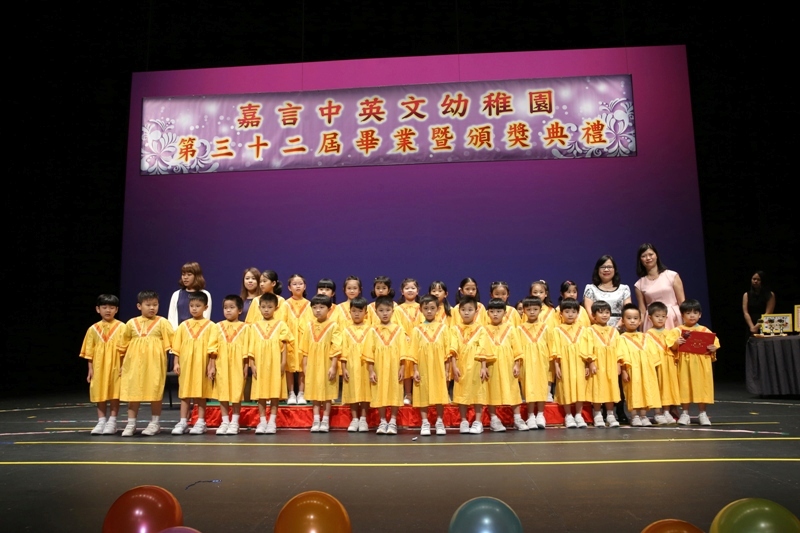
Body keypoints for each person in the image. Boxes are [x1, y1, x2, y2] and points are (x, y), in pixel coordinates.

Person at [118, 290, 174, 437]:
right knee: (133, 392)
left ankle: (155, 423)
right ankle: (131, 423)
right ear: (139, 306)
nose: (152, 308)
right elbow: (123, 346)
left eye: (155, 305)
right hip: (133, 363)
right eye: (148, 305)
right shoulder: (131, 323)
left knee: (154, 392)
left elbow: (171, 343)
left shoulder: (162, 322)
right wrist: (122, 365)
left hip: (154, 364)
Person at [666, 299, 719, 426]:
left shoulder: (704, 330)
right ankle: (685, 413)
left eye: (695, 313)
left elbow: (715, 344)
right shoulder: (677, 331)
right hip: (684, 364)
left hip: (701, 364)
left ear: (700, 315)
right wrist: (676, 343)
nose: (692, 315)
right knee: (685, 386)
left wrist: (713, 348)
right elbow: (671, 347)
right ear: (682, 315)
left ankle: (702, 413)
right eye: (688, 313)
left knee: (702, 387)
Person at [364, 295, 410, 435]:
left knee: (395, 392)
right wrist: (371, 371)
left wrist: (402, 368)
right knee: (380, 392)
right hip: (379, 367)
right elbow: (369, 352)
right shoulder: (372, 330)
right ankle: (383, 421)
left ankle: (393, 421)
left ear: (393, 311)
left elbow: (403, 351)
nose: (385, 313)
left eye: (388, 310)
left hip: (395, 367)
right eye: (381, 310)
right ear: (376, 312)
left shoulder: (399, 330)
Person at [171, 292, 215, 435]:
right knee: (184, 393)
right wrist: (176, 363)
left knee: (201, 393)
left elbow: (213, 348)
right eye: (191, 306)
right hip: (186, 364)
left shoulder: (211, 326)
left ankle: (200, 422)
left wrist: (211, 365)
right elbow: (176, 347)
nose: (194, 309)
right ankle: (183, 421)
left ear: (205, 307)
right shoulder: (183, 325)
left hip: (202, 363)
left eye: (198, 306)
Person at [248, 293, 293, 434]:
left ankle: (272, 421)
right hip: (260, 363)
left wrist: (283, 362)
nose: (266, 310)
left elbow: (284, 345)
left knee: (274, 392)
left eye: (269, 307)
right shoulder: (254, 326)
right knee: (260, 393)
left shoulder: (281, 325)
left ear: (276, 308)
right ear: (259, 308)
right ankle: (262, 422)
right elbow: (250, 347)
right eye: (263, 307)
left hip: (275, 363)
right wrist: (252, 364)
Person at [79, 294, 124, 435]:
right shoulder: (93, 329)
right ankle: (101, 421)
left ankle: (112, 421)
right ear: (98, 309)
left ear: (116, 310)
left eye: (111, 307)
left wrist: (123, 366)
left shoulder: (122, 327)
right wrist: (90, 369)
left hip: (116, 365)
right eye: (104, 307)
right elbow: (89, 352)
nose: (108, 310)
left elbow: (126, 349)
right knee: (99, 392)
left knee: (114, 392)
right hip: (99, 366)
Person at [409, 294, 453, 436]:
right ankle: (425, 422)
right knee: (423, 393)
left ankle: (439, 421)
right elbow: (413, 352)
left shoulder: (443, 328)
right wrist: (415, 370)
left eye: (432, 308)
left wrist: (447, 369)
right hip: (422, 367)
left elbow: (447, 351)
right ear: (421, 309)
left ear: (438, 309)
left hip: (439, 366)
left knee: (439, 393)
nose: (429, 311)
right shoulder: (417, 330)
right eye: (426, 308)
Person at [483, 299, 527, 432]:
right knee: (492, 390)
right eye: (492, 311)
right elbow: (482, 349)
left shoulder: (510, 328)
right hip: (491, 364)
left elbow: (517, 348)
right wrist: (483, 366)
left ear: (505, 313)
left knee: (513, 390)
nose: (495, 314)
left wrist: (517, 365)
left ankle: (517, 418)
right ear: (488, 313)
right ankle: (494, 419)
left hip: (508, 364)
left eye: (498, 311)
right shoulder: (484, 329)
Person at [208, 295, 249, 435]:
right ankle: (225, 421)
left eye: (232, 307)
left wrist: (246, 366)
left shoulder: (245, 327)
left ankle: (235, 422)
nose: (228, 310)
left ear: (240, 310)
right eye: (225, 308)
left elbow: (247, 348)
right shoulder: (217, 326)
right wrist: (211, 366)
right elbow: (213, 347)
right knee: (223, 392)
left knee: (236, 392)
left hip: (238, 363)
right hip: (221, 363)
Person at [300, 294, 342, 433]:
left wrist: (333, 366)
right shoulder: (309, 325)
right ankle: (316, 419)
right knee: (314, 392)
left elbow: (336, 347)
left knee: (327, 392)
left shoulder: (333, 325)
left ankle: (325, 420)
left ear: (329, 309)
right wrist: (305, 365)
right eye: (315, 307)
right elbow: (305, 348)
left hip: (327, 363)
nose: (318, 310)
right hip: (312, 363)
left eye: (322, 307)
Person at [449, 295, 490, 434]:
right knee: (461, 393)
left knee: (478, 393)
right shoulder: (455, 329)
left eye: (470, 310)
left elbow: (483, 348)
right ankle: (464, 421)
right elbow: (453, 349)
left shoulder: (481, 329)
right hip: (460, 365)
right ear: (459, 311)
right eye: (463, 310)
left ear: (476, 311)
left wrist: (483, 367)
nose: (466, 312)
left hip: (476, 364)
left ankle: (478, 422)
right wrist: (454, 366)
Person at [616, 304, 662, 427]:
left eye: (635, 318)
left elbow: (653, 354)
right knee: (633, 391)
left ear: (640, 320)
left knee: (646, 390)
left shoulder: (646, 337)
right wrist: (624, 371)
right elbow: (621, 356)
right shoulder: (621, 338)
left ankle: (643, 415)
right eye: (629, 318)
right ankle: (634, 416)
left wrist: (654, 369)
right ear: (623, 320)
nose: (632, 321)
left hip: (646, 370)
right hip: (632, 370)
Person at [552, 298, 591, 428]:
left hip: (579, 362)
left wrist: (587, 364)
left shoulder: (583, 330)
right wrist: (556, 366)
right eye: (567, 311)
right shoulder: (557, 330)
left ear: (578, 313)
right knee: (566, 387)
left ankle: (578, 415)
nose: (570, 314)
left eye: (573, 312)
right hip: (564, 363)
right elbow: (555, 349)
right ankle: (568, 415)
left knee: (580, 387)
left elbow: (587, 348)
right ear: (561, 313)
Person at [585, 301, 622, 428]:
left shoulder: (614, 331)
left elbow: (619, 349)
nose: (605, 315)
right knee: (597, 388)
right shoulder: (590, 330)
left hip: (611, 363)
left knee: (611, 387)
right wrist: (591, 362)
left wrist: (618, 364)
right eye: (601, 313)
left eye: (607, 312)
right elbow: (587, 347)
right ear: (594, 315)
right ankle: (597, 414)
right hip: (598, 364)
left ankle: (610, 414)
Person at [634, 243, 685, 331]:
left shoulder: (672, 275)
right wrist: (641, 331)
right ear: (640, 260)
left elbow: (682, 302)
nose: (648, 258)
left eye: (651, 254)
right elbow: (642, 311)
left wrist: (687, 323)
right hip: (652, 320)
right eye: (644, 256)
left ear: (656, 255)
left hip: (673, 317)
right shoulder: (639, 284)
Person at [518, 297, 551, 429]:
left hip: (542, 361)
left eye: (535, 309)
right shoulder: (519, 328)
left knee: (541, 386)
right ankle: (531, 415)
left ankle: (540, 415)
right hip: (526, 362)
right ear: (524, 310)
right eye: (529, 309)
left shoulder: (546, 327)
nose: (532, 312)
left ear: (540, 310)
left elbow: (551, 345)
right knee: (529, 387)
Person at [340, 297, 372, 432]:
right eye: (354, 311)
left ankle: (363, 419)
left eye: (360, 311)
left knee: (365, 392)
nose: (357, 314)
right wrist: (344, 368)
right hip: (351, 365)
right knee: (352, 391)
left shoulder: (371, 330)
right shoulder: (346, 331)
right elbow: (343, 351)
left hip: (366, 366)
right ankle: (354, 419)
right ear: (350, 312)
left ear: (366, 313)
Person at [646, 302, 680, 425]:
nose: (660, 319)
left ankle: (666, 411)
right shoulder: (648, 334)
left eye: (663, 316)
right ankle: (658, 412)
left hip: (668, 364)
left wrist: (677, 343)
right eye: (657, 316)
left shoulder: (670, 333)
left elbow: (674, 348)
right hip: (656, 364)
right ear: (650, 318)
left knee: (668, 387)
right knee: (657, 387)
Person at [583, 255, 632, 329]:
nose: (606, 270)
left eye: (609, 267)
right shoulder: (590, 289)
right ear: (598, 270)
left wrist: (616, 328)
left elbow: (628, 311)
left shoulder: (624, 289)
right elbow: (590, 314)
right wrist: (603, 329)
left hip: (620, 329)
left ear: (614, 269)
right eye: (603, 267)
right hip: (597, 329)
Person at [284, 274, 311, 405]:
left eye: (300, 284)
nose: (298, 286)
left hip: (303, 340)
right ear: (289, 287)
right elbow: (282, 323)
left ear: (305, 286)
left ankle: (301, 393)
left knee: (302, 366)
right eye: (294, 284)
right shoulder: (285, 304)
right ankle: (291, 393)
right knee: (289, 367)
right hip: (290, 340)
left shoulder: (309, 304)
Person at [396, 278, 422, 404]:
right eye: (407, 288)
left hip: (419, 341)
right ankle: (408, 394)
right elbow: (397, 324)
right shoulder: (398, 309)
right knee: (406, 367)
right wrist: (405, 336)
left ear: (417, 291)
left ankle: (419, 393)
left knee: (418, 366)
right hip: (405, 341)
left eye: (413, 288)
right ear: (402, 291)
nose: (410, 290)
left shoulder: (422, 307)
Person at [168, 262, 212, 329]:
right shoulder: (176, 294)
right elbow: (171, 318)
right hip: (179, 332)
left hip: (197, 332)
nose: (185, 277)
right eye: (183, 274)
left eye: (189, 275)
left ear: (196, 276)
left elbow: (206, 317)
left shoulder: (205, 294)